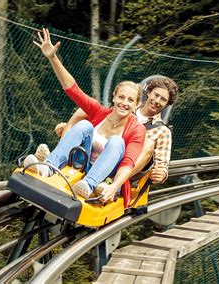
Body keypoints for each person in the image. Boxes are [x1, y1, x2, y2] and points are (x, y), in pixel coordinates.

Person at [25, 28, 146, 203]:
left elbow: (128, 163)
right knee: (84, 125)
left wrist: (115, 186)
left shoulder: (136, 130)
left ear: (136, 105)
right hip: (80, 163)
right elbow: (73, 90)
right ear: (114, 97)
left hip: (104, 177)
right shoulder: (99, 112)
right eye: (121, 97)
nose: (124, 103)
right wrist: (52, 57)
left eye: (130, 100)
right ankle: (48, 167)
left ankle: (88, 186)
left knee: (117, 142)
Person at [54, 76, 178, 186]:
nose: (157, 101)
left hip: (123, 164)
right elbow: (102, 122)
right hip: (100, 149)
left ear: (167, 105)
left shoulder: (162, 131)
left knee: (148, 143)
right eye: (156, 95)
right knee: (83, 113)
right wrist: (71, 128)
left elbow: (162, 162)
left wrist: (161, 173)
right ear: (149, 93)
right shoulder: (126, 106)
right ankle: (59, 157)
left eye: (163, 99)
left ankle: (111, 181)